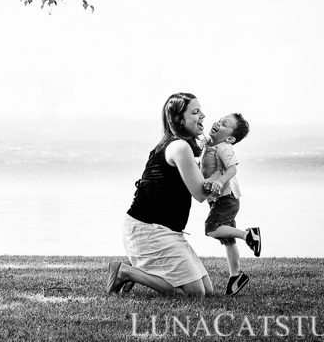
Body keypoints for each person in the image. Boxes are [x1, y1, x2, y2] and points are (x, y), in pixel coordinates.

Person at [106, 92, 219, 298]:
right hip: (148, 230)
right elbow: (201, 193)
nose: (203, 115)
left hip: (166, 231)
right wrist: (224, 173)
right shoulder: (179, 146)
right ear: (178, 119)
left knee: (207, 291)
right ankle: (125, 271)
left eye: (201, 110)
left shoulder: (176, 145)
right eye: (195, 112)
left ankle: (135, 270)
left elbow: (201, 185)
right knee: (194, 294)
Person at [200, 113, 260, 296]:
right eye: (219, 120)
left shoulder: (224, 147)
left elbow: (232, 168)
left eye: (224, 124)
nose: (218, 123)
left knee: (211, 228)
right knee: (227, 239)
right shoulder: (209, 145)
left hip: (227, 198)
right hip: (221, 199)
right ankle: (236, 276)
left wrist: (219, 181)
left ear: (230, 138)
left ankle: (248, 234)